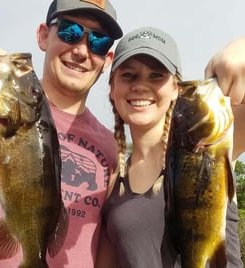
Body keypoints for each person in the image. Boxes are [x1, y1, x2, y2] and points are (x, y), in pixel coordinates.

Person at [0, 0, 123, 267]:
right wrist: (10, 72)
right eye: (70, 31)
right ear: (43, 36)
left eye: (99, 42)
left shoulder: (110, 147)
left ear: (107, 61)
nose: (81, 50)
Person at [96, 27, 244, 267]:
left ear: (177, 88)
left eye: (156, 75)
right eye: (128, 75)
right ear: (112, 89)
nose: (140, 85)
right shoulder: (113, 181)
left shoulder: (209, 142)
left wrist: (239, 48)